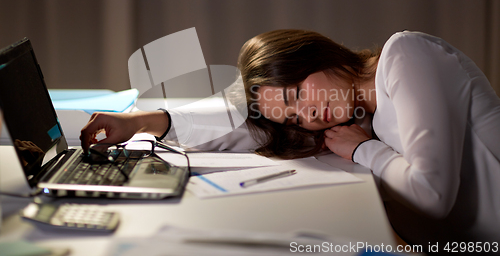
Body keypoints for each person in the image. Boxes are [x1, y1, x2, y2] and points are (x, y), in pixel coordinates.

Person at [80, 29, 500, 250]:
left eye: (298, 94)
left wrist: (362, 149)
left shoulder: (405, 55)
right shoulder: (355, 114)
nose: (309, 115)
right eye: (296, 116)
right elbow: (245, 122)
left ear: (316, 54)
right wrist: (142, 122)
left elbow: (433, 194)